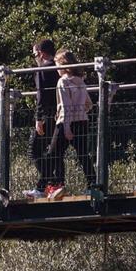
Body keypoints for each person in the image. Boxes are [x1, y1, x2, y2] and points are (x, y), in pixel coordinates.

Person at [44, 50, 92, 200]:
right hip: (82, 121)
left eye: (58, 65)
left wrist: (66, 127)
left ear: (64, 66)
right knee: (83, 154)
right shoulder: (80, 81)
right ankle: (93, 184)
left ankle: (58, 184)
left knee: (53, 153)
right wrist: (80, 111)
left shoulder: (63, 81)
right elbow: (89, 104)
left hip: (66, 122)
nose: (56, 69)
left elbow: (65, 107)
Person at [23, 38, 59, 198]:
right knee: (54, 152)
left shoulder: (42, 69)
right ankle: (53, 183)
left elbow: (41, 95)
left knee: (34, 150)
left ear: (41, 53)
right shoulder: (60, 68)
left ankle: (46, 184)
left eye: (35, 54)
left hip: (46, 114)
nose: (34, 57)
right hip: (58, 113)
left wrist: (38, 118)